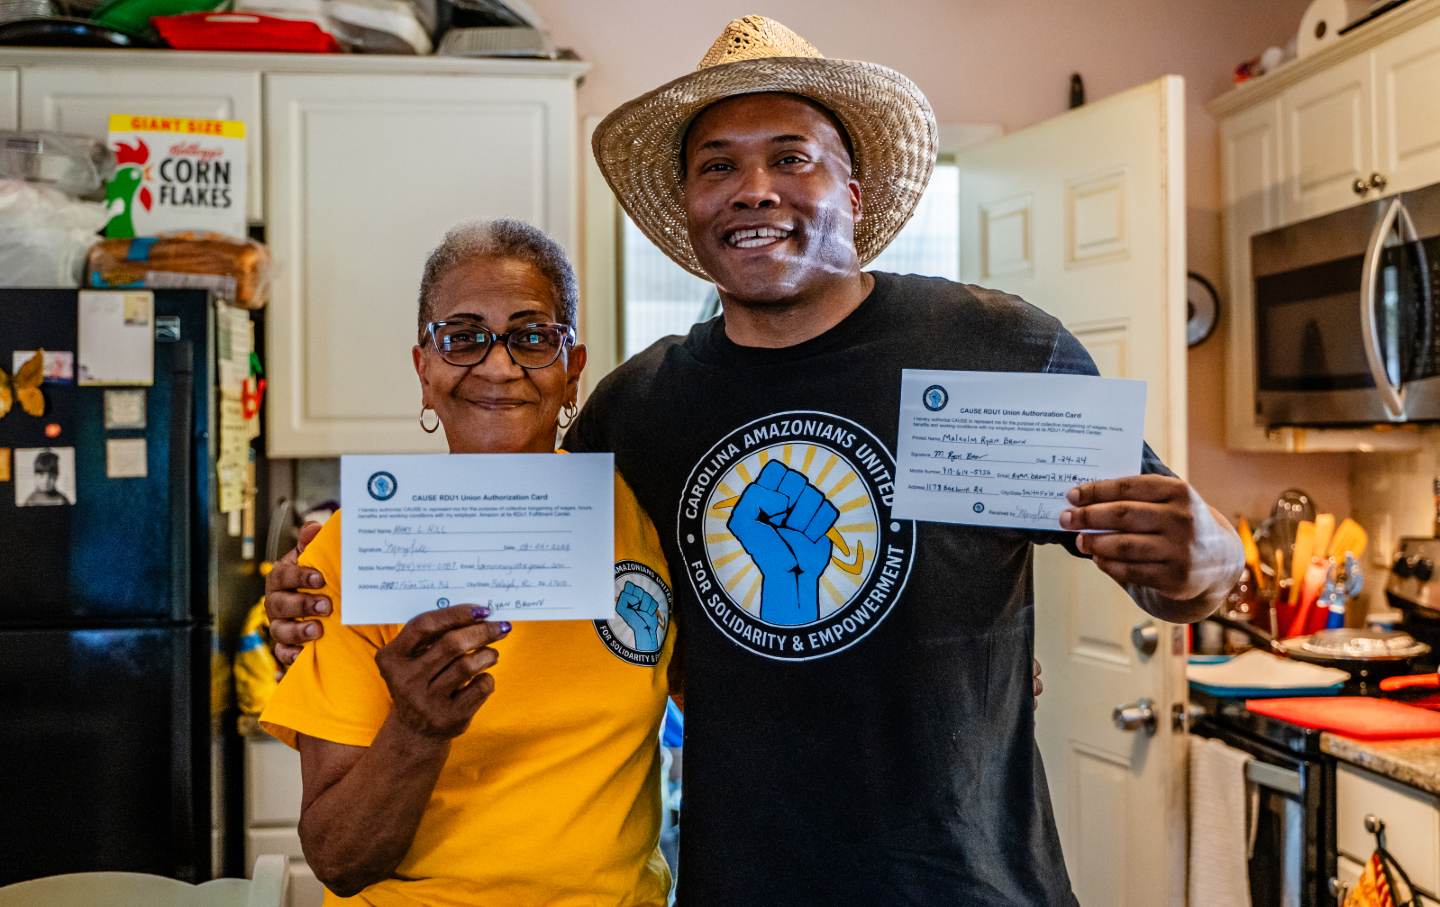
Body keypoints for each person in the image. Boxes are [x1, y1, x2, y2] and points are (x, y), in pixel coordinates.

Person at [267, 16, 1242, 904]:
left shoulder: (995, 349)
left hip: (970, 884)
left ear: (852, 191)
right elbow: (565, 558)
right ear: (691, 210)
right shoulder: (636, 412)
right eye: (717, 165)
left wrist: (1211, 561)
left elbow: (1167, 568)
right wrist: (316, 590)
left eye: (792, 157)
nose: (755, 189)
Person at [259, 219, 676, 906]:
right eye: (462, 337)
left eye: (533, 336)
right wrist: (417, 728)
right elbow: (338, 858)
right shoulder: (353, 548)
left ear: (573, 371)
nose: (498, 365)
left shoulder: (638, 510)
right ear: (424, 371)